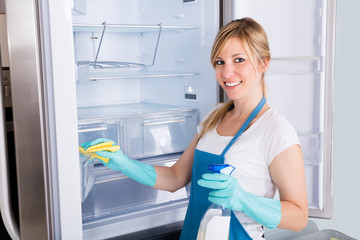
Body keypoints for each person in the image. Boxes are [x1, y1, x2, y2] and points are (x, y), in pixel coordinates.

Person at [81, 17, 308, 240]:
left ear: (263, 63)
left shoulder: (275, 131)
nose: (227, 73)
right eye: (220, 62)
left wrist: (243, 200)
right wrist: (124, 162)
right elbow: (175, 177)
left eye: (239, 60)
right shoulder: (214, 117)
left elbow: (298, 217)